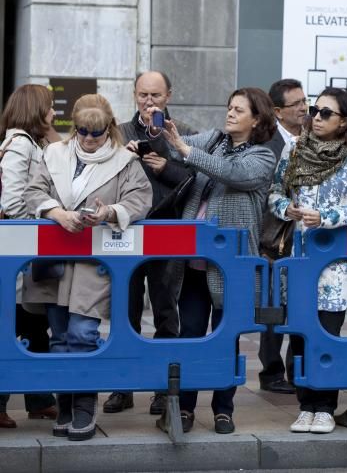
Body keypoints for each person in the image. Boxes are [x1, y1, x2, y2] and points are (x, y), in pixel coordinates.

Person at [24, 94, 152, 441]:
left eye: (96, 133)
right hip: (54, 258)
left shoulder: (125, 161)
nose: (89, 139)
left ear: (108, 128)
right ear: (74, 128)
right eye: (83, 131)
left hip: (93, 260)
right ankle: (65, 407)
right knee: (60, 338)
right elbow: (32, 192)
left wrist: (110, 212)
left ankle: (83, 408)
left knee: (82, 334)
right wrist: (56, 212)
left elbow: (140, 198)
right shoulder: (54, 154)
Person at [155, 87, 277, 435]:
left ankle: (224, 409)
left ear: (257, 119)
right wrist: (159, 133)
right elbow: (175, 150)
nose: (230, 114)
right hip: (194, 258)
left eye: (239, 110)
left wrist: (186, 150)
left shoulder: (263, 156)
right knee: (192, 335)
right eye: (229, 107)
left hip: (232, 264)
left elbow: (233, 174)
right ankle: (186, 409)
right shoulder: (213, 140)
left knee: (227, 338)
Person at [269, 87, 347, 434]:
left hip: (335, 262)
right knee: (300, 334)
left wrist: (325, 216)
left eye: (326, 113)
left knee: (327, 333)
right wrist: (288, 209)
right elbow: (275, 194)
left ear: (345, 120)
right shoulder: (295, 148)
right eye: (315, 110)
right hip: (298, 256)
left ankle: (325, 406)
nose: (316, 117)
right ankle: (305, 405)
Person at [103, 70, 196, 416]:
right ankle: (121, 386)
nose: (149, 102)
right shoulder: (121, 132)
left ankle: (163, 387)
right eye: (143, 95)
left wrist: (165, 167)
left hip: (168, 231)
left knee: (166, 310)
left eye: (156, 96)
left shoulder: (182, 132)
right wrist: (122, 159)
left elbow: (198, 180)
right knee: (124, 311)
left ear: (168, 96)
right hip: (126, 232)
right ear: (134, 95)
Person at [0, 84, 60, 428]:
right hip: (19, 252)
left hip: (23, 256)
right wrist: (43, 219)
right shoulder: (21, 143)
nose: (53, 113)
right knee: (17, 324)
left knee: (33, 322)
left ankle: (39, 399)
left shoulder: (27, 142)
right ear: (36, 110)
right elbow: (11, 202)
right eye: (49, 108)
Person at [258, 78, 307, 394]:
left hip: (307, 238)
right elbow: (266, 192)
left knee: (301, 307)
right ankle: (271, 373)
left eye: (305, 101)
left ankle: (297, 370)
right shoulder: (267, 143)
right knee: (274, 310)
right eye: (296, 104)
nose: (304, 108)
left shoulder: (315, 138)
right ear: (277, 110)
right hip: (275, 237)